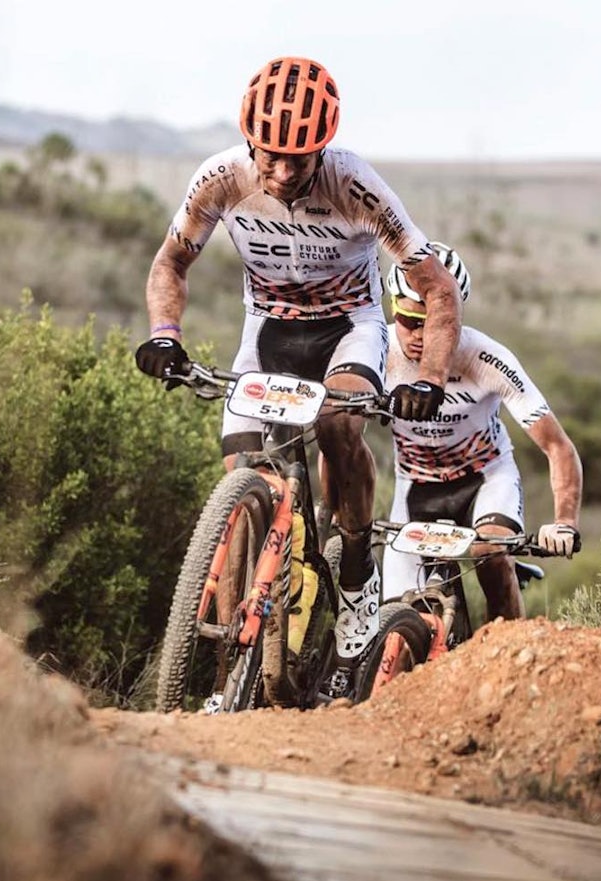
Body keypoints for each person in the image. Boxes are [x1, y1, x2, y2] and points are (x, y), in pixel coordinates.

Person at [134, 56, 464, 661]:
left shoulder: (357, 186)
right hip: (268, 330)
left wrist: (431, 378)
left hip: (348, 328)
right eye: (271, 155)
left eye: (302, 157)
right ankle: (235, 653)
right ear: (249, 142)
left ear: (325, 148)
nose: (284, 171)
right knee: (240, 474)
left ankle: (359, 565)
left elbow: (437, 286)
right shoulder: (220, 179)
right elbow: (170, 262)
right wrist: (164, 333)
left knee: (339, 424)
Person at [383, 242, 583, 620]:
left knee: (489, 555)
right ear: (393, 307)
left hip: (485, 480)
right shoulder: (378, 351)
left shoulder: (486, 357)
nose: (419, 336)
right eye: (408, 320)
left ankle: (509, 650)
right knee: (396, 614)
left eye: (435, 324)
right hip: (414, 487)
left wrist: (565, 522)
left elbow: (558, 446)